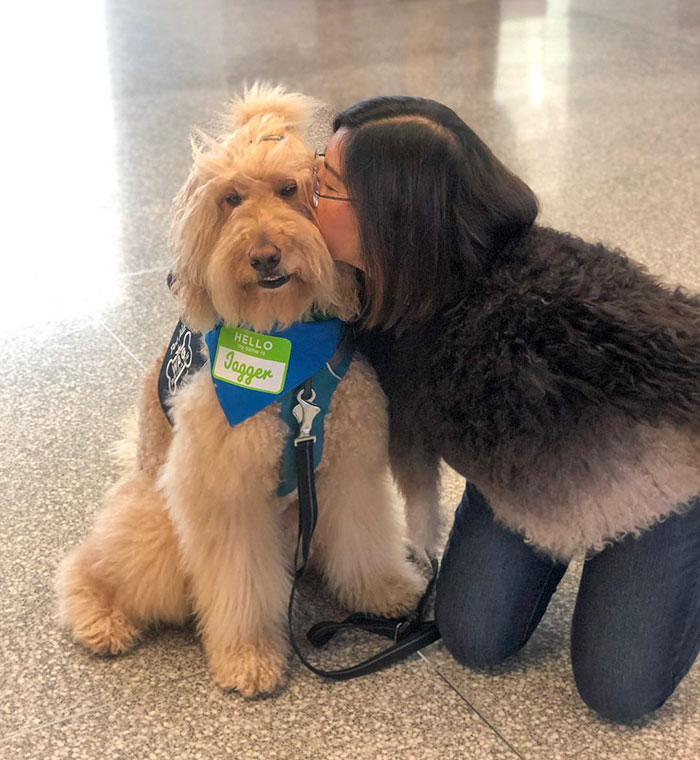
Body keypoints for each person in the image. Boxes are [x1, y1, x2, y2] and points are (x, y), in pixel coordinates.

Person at [311, 95, 700, 723]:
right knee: (475, 639)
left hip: (658, 489)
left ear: (387, 217)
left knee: (619, 691)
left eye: (323, 183)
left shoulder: (540, 309)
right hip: (521, 470)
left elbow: (681, 353)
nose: (305, 191)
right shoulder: (377, 284)